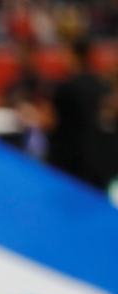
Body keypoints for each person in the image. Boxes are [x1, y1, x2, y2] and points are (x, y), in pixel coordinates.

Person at [47, 37, 111, 188]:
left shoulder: (66, 89)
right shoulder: (102, 86)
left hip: (68, 163)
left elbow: (51, 122)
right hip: (98, 162)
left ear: (74, 56)